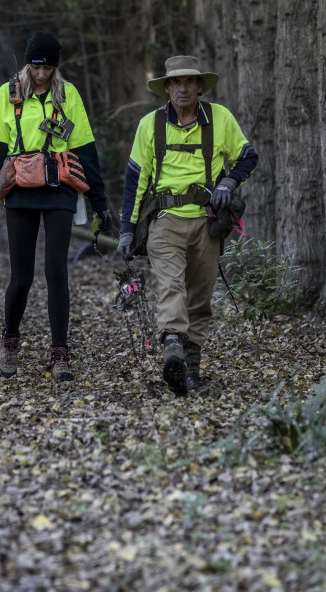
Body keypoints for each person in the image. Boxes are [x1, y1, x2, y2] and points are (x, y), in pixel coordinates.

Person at [0, 31, 113, 382]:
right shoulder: (9, 95)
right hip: (20, 189)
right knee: (22, 276)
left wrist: (100, 204)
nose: (41, 74)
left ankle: (60, 353)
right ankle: (9, 342)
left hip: (59, 187)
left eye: (48, 67)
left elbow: (86, 150)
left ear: (55, 66)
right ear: (27, 63)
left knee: (56, 271)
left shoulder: (68, 95)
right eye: (36, 66)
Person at [117, 55, 258, 396]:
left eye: (189, 82)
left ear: (198, 86)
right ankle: (172, 352)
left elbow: (247, 156)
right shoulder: (149, 125)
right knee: (171, 286)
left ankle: (190, 372)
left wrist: (227, 184)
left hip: (207, 223)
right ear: (167, 88)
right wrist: (126, 229)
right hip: (164, 221)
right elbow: (135, 181)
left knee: (201, 298)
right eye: (175, 83)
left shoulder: (220, 118)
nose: (182, 89)